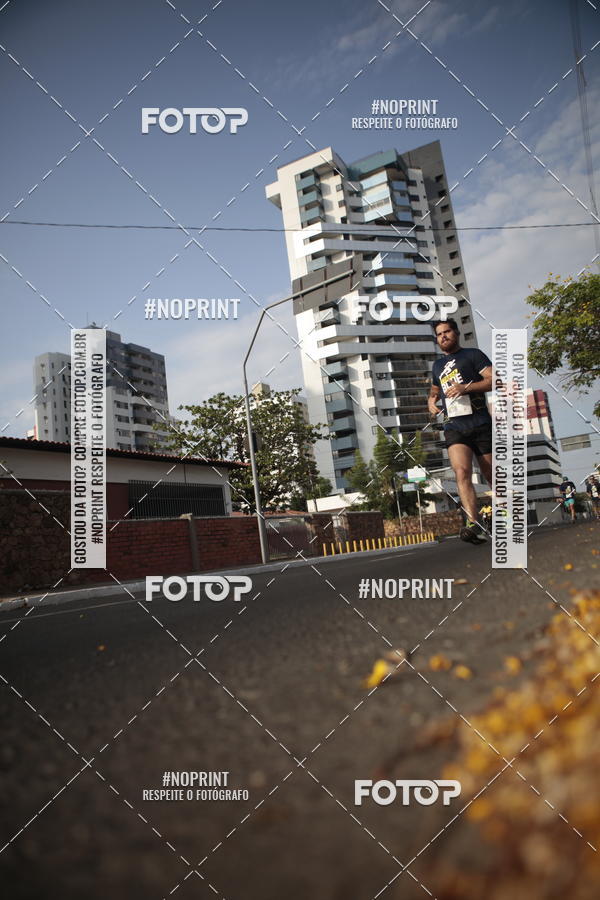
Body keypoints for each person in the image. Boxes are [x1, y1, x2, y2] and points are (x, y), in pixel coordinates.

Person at [428, 319, 493, 545]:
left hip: (480, 422)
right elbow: (435, 389)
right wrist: (431, 400)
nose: (443, 336)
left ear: (456, 333)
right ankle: (473, 523)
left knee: (491, 474)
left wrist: (466, 387)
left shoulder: (473, 355)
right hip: (454, 426)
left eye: (447, 332)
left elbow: (493, 380)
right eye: (439, 334)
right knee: (461, 472)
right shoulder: (437, 366)